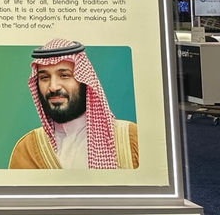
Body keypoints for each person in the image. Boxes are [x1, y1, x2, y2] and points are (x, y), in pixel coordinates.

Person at [9, 38, 139, 169]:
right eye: (44, 78)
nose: (53, 87)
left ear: (85, 82)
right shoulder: (28, 149)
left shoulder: (130, 138)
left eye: (64, 75)